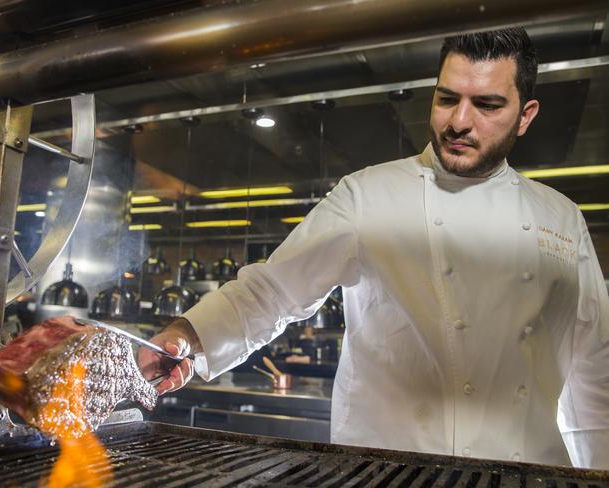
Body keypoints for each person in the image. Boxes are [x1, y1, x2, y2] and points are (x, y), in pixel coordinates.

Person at [138, 28, 609, 469]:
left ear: (526, 116)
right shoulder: (367, 195)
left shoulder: (561, 218)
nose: (458, 122)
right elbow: (272, 292)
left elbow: (595, 369)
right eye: (447, 99)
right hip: (384, 471)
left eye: (487, 105)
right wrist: (190, 336)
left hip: (524, 474)